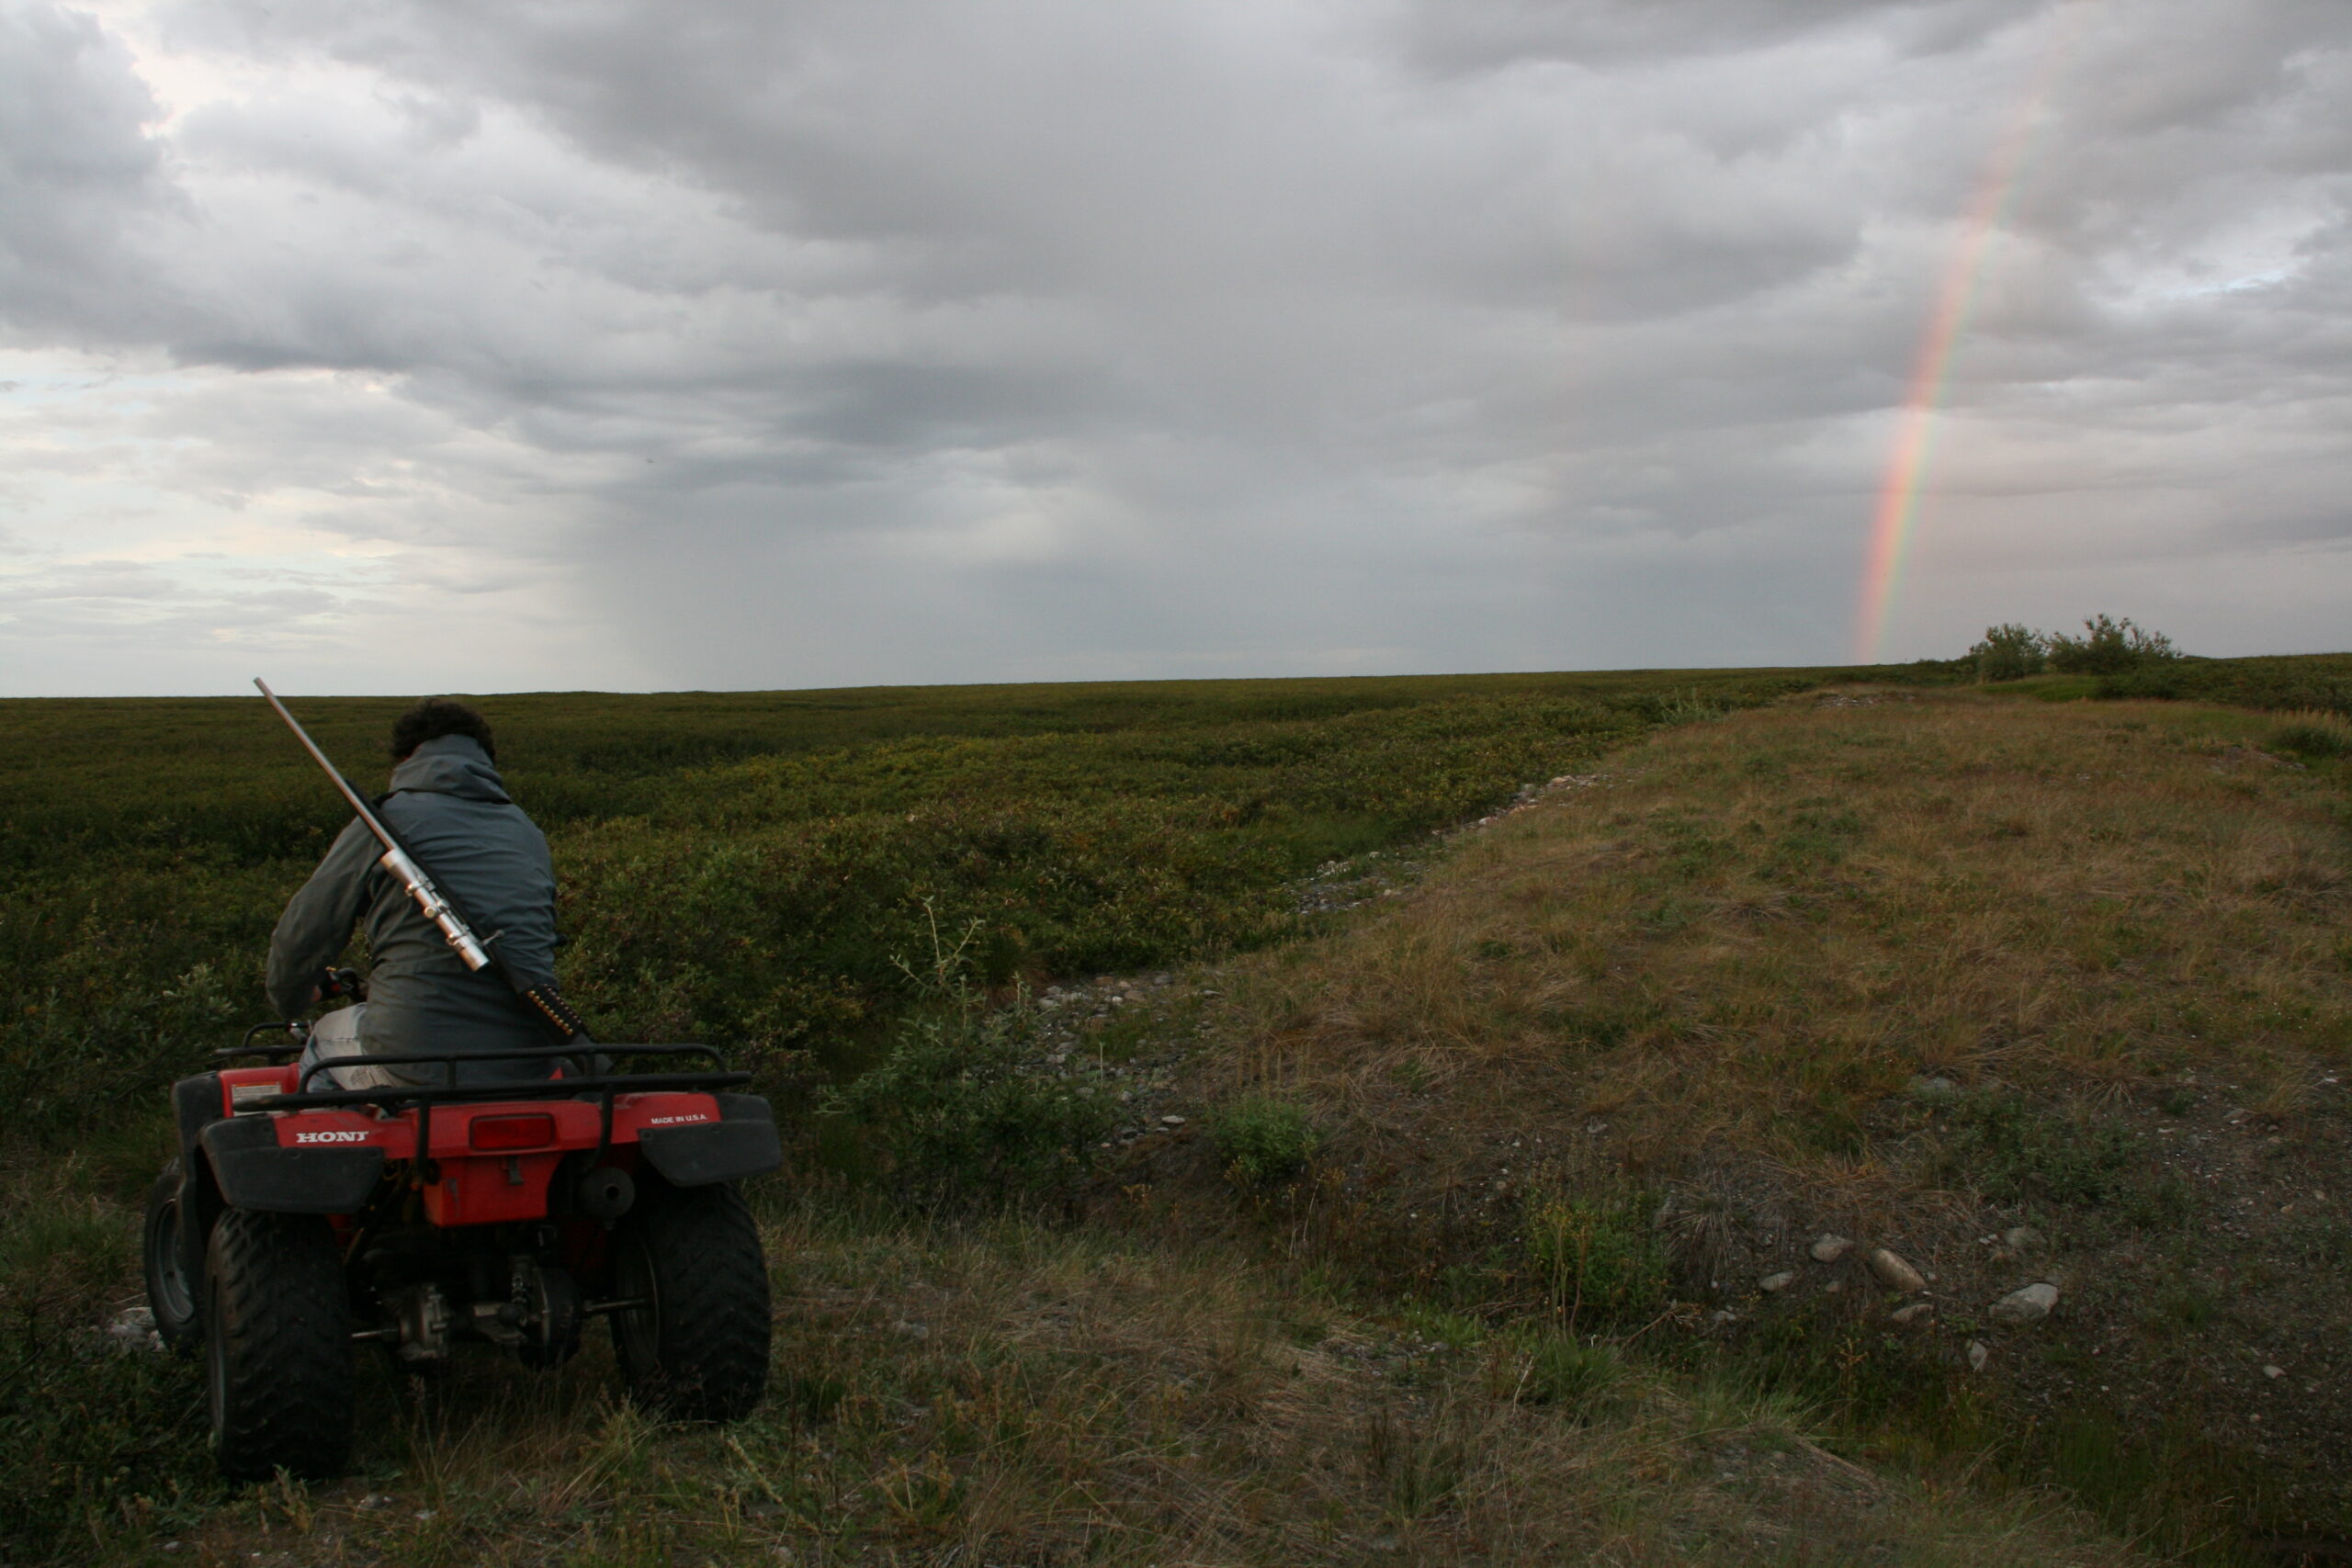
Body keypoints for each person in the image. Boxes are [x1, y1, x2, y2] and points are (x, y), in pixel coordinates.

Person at [267, 697, 564, 1090]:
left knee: (323, 1038)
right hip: (533, 1058)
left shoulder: (383, 823)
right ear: (486, 759)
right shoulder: (526, 831)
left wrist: (290, 1003)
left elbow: (303, 936)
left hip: (415, 1057)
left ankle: (334, 1144)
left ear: (406, 756)